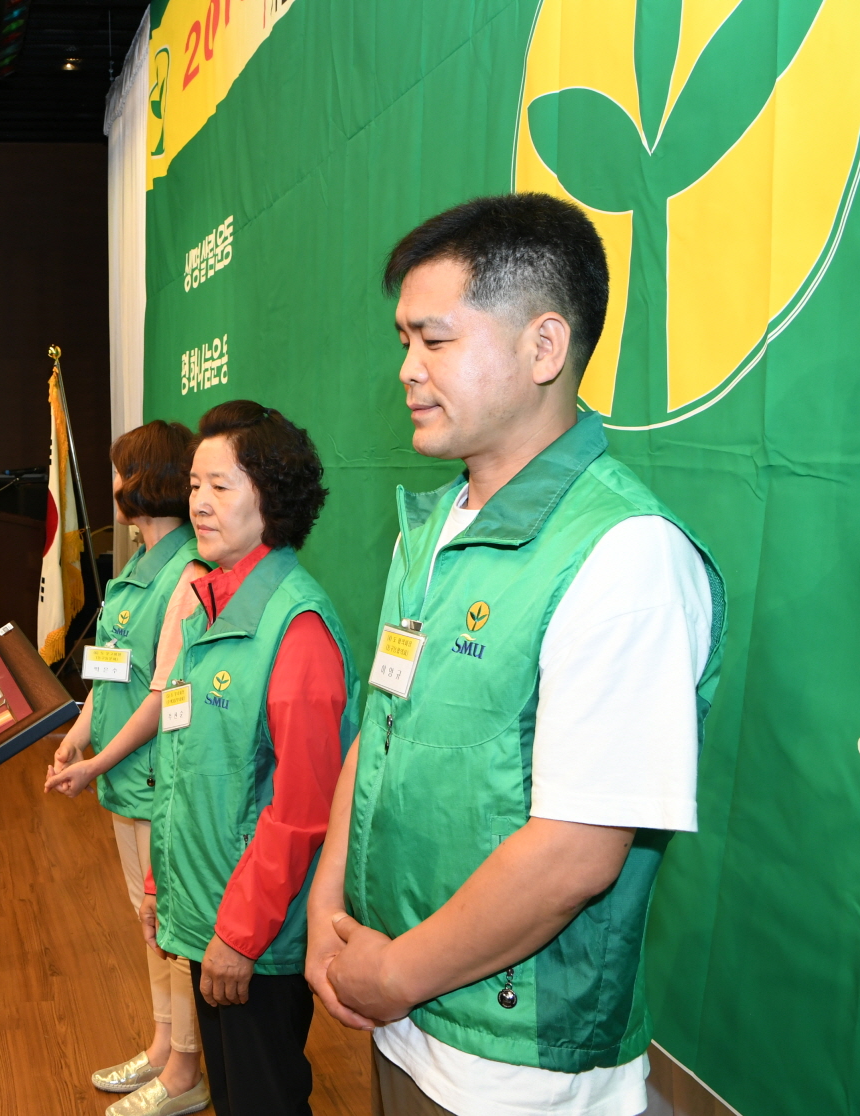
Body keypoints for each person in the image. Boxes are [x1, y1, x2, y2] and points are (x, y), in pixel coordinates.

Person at [306, 194, 724, 1116]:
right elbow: (377, 730)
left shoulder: (624, 553)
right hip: (401, 1014)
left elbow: (577, 854)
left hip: (517, 1069)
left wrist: (397, 972)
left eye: (436, 340)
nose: (407, 370)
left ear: (543, 347)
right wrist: (329, 913)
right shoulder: (433, 529)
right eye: (404, 341)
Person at [140, 401, 359, 1116]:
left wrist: (238, 934)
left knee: (263, 1100)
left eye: (221, 487)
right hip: (209, 913)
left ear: (273, 499)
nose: (199, 503)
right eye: (195, 485)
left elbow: (301, 813)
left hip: (257, 941)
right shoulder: (210, 602)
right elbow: (188, 769)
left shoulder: (295, 628)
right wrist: (160, 880)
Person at [43, 421, 208, 1113]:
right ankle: (163, 1044)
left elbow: (161, 693)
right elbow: (110, 672)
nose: (113, 488)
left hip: (152, 780)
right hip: (118, 776)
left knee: (171, 927)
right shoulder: (135, 566)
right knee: (148, 924)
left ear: (148, 481)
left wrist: (99, 759)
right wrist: (79, 733)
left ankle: (187, 1074)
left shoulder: (188, 573)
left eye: (122, 473)